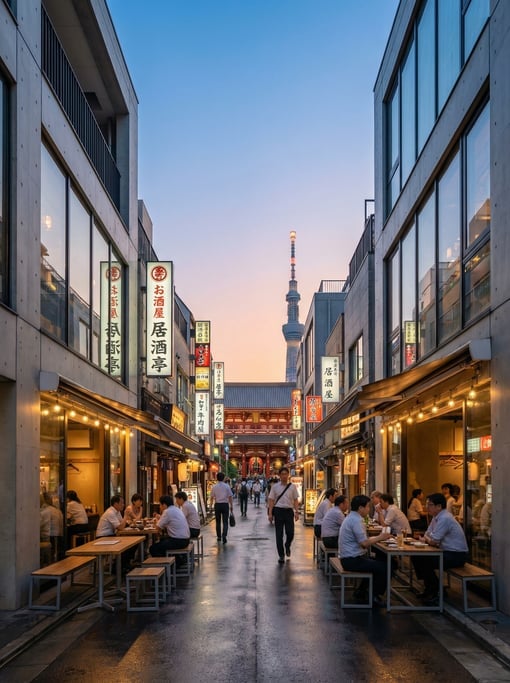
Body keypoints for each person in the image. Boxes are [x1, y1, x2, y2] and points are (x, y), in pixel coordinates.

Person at [411, 493, 468, 605]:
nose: (427, 507)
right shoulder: (436, 517)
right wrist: (429, 538)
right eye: (427, 504)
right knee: (416, 557)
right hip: (446, 552)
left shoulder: (445, 518)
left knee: (425, 561)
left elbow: (433, 540)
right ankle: (430, 589)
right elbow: (428, 534)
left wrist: (428, 539)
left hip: (457, 555)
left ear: (439, 506)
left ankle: (436, 591)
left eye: (430, 505)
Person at [338, 495, 391, 607]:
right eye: (367, 507)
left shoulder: (352, 518)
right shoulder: (356, 520)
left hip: (348, 557)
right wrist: (381, 537)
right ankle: (374, 596)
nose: (369, 509)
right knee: (384, 567)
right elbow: (364, 543)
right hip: (351, 560)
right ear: (360, 508)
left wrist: (377, 538)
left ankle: (361, 592)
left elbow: (364, 541)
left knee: (378, 562)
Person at [267, 467, 300, 564]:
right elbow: (271, 500)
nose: (284, 476)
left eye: (286, 474)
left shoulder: (292, 487)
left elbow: (295, 500)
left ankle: (287, 545)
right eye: (282, 474)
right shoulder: (275, 487)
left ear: (288, 475)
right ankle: (281, 555)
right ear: (280, 475)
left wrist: (296, 512)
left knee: (290, 533)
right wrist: (270, 514)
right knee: (279, 534)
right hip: (278, 511)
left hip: (289, 511)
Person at [210, 472, 233, 544]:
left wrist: (210, 506)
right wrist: (231, 505)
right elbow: (230, 496)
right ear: (223, 478)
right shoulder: (227, 486)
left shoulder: (214, 487)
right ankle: (224, 536)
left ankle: (219, 536)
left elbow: (211, 497)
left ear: (217, 478)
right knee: (225, 521)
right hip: (225, 505)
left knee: (218, 521)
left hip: (217, 505)